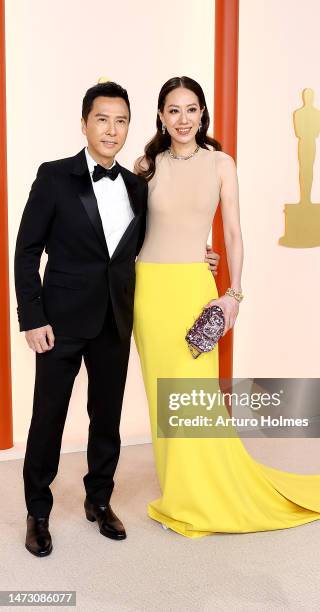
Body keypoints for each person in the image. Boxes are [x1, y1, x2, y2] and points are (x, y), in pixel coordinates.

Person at [133, 76, 320, 538]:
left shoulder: (221, 163)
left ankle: (206, 492)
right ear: (160, 115)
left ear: (203, 114)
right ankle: (178, 490)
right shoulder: (145, 166)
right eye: (173, 110)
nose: (182, 119)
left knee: (192, 396)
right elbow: (133, 232)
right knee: (162, 395)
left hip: (195, 292)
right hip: (149, 291)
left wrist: (233, 292)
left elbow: (234, 233)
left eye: (191, 109)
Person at [14, 79, 221, 557]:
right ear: (84, 123)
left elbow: (153, 243)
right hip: (59, 323)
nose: (112, 130)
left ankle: (99, 501)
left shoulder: (136, 184)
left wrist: (200, 256)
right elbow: (26, 253)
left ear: (131, 125)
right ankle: (38, 513)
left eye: (121, 120)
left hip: (115, 319)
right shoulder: (53, 176)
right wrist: (33, 317)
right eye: (102, 119)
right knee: (48, 418)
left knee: (105, 418)